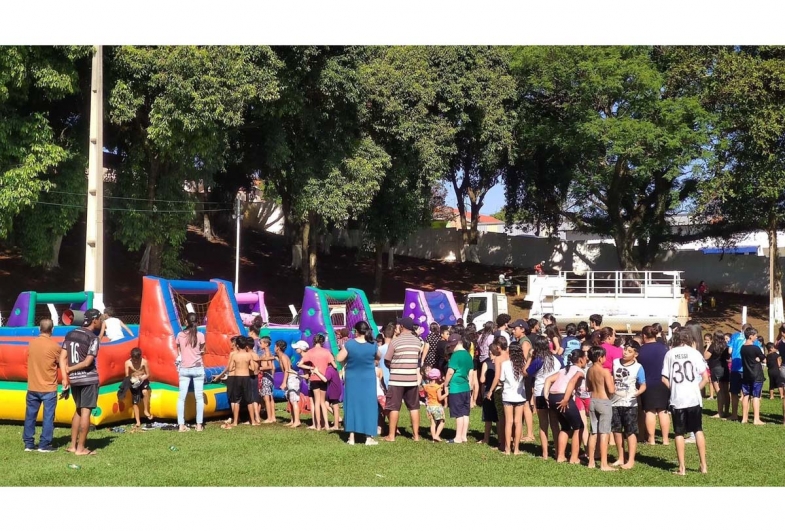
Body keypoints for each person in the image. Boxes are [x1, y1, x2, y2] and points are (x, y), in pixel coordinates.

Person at [661, 329, 709, 475]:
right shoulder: (695, 353)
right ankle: (704, 466)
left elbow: (664, 378)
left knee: (679, 432)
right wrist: (695, 388)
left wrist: (675, 389)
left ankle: (682, 468)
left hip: (677, 398)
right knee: (698, 430)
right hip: (693, 398)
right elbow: (705, 377)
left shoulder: (670, 354)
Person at [62, 309, 103, 456]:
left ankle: (73, 445)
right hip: (88, 378)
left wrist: (65, 374)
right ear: (94, 320)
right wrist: (71, 368)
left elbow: (62, 357)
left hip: (74, 380)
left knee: (78, 410)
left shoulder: (71, 334)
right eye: (100, 319)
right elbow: (87, 362)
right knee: (86, 412)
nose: (101, 322)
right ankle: (81, 449)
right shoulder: (93, 338)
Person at [23, 318, 62, 452]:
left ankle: (28, 443)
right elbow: (61, 363)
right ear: (52, 330)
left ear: (40, 328)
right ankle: (44, 444)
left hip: (33, 386)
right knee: (48, 417)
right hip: (48, 387)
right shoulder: (55, 347)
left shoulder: (31, 344)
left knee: (30, 416)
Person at [383, 317, 423, 442]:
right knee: (414, 407)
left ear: (402, 326)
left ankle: (391, 435)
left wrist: (393, 367)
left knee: (394, 407)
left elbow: (387, 360)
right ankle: (416, 435)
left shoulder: (395, 341)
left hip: (396, 379)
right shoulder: (418, 342)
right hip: (412, 379)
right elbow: (418, 357)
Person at [544, 348, 587, 464]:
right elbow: (572, 382)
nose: (587, 359)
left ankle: (560, 456)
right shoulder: (579, 371)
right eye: (585, 357)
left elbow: (548, 380)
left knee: (565, 426)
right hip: (563, 397)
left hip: (553, 397)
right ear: (580, 360)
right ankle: (574, 458)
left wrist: (546, 396)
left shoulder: (564, 369)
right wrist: (566, 399)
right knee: (579, 427)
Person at [610, 341, 646, 469]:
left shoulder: (638, 367)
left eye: (629, 351)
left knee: (630, 431)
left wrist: (636, 394)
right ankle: (620, 457)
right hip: (614, 401)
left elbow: (643, 385)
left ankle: (630, 460)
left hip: (630, 403)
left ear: (635, 354)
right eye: (625, 349)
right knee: (616, 430)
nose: (625, 352)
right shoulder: (614, 363)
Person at [528, 334, 562, 459]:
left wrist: (529, 358)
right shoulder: (556, 359)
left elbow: (527, 372)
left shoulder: (538, 360)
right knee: (554, 423)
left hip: (540, 393)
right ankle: (559, 452)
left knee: (543, 424)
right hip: (553, 393)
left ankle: (545, 454)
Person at [637, 325, 671, 445]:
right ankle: (665, 439)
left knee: (650, 411)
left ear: (644, 336)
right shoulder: (664, 348)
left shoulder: (641, 350)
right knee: (663, 411)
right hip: (663, 382)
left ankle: (651, 439)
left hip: (647, 383)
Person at [298, 334, 336, 431]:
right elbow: (334, 365)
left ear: (314, 341)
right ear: (322, 342)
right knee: (323, 402)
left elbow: (300, 364)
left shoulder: (310, 352)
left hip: (314, 377)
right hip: (323, 378)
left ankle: (318, 425)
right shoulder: (326, 352)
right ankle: (326, 425)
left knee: (317, 402)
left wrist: (311, 368)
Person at [587, 346, 615, 471]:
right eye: (604, 356)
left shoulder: (589, 370)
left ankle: (591, 461)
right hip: (604, 402)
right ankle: (604, 464)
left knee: (593, 432)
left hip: (592, 401)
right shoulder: (605, 372)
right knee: (604, 432)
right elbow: (611, 390)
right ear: (600, 358)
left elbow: (588, 388)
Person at [176, 312, 206, 432]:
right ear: (197, 322)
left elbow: (179, 350)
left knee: (181, 398)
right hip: (198, 368)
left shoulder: (180, 335)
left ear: (186, 322)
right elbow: (203, 350)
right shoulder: (200, 335)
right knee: (199, 397)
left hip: (184, 368)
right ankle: (199, 425)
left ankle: (181, 425)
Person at [443, 332, 473, 444]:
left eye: (450, 345)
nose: (450, 348)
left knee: (458, 414)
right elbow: (471, 372)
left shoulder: (456, 355)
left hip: (456, 388)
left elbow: (450, 372)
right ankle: (464, 436)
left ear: (455, 344)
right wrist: (471, 387)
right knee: (465, 413)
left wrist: (445, 384)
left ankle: (458, 437)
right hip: (466, 387)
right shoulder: (468, 355)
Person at [498, 342, 527, 455]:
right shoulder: (523, 364)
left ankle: (507, 449)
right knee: (518, 422)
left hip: (507, 395)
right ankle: (516, 449)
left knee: (508, 422)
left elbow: (501, 379)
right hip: (520, 396)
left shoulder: (505, 364)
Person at [740, 327, 765, 425]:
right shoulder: (755, 348)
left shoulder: (742, 348)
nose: (756, 338)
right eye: (755, 336)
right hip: (756, 374)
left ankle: (744, 418)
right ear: (750, 336)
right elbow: (763, 358)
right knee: (756, 396)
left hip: (746, 373)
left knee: (746, 395)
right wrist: (759, 358)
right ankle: (756, 419)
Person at [705, 330, 731, 419]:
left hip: (716, 368)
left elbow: (706, 356)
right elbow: (728, 358)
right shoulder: (726, 346)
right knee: (726, 391)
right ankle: (727, 411)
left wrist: (708, 346)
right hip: (725, 369)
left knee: (718, 391)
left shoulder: (713, 345)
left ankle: (720, 412)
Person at [276, 340, 301, 428]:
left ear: (278, 347)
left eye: (275, 346)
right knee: (290, 400)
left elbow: (287, 370)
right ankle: (293, 420)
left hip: (292, 378)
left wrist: (283, 382)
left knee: (293, 400)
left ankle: (297, 421)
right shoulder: (281, 356)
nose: (274, 348)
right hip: (290, 378)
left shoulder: (283, 357)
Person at [124, 347, 151, 429]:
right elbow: (127, 375)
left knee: (145, 392)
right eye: (134, 360)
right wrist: (132, 380)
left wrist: (142, 378)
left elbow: (148, 374)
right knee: (135, 402)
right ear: (131, 357)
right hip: (134, 381)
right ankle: (138, 421)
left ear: (140, 357)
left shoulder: (144, 362)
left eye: (137, 360)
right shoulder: (127, 363)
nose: (136, 361)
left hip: (143, 379)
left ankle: (146, 410)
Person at [478, 346, 498, 446]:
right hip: (498, 391)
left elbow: (482, 379)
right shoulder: (501, 362)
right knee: (499, 417)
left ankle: (486, 438)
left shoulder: (486, 363)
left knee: (488, 417)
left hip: (488, 390)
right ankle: (501, 439)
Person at [423, 368, 447, 442]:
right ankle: (436, 435)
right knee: (442, 421)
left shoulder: (426, 386)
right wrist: (446, 394)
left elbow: (426, 396)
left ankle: (433, 437)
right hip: (437, 406)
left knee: (432, 423)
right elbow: (439, 398)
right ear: (438, 377)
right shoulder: (438, 387)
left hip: (429, 407)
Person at [257, 335, 276, 424]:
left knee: (266, 398)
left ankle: (269, 417)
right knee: (271, 397)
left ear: (266, 344)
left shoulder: (267, 354)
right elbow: (274, 368)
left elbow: (270, 366)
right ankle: (273, 417)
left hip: (266, 377)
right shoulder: (269, 353)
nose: (259, 344)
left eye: (261, 343)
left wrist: (260, 369)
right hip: (270, 377)